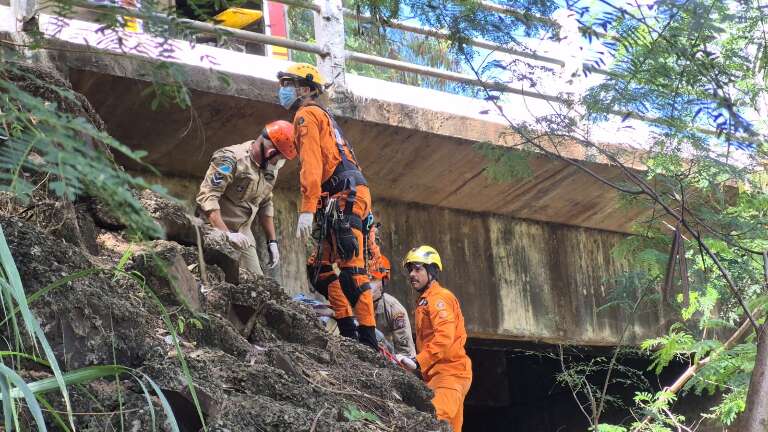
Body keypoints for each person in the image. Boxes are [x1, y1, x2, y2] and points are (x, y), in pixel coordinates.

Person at [277, 62, 377, 350]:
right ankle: (347, 329)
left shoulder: (306, 115)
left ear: (306, 89)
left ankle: (368, 341)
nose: (283, 90)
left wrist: (307, 209)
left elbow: (312, 165)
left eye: (288, 83)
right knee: (319, 267)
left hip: (344, 195)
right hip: (339, 195)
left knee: (351, 269)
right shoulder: (325, 117)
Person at [196, 120, 296, 276]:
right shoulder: (230, 159)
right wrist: (226, 234)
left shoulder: (270, 168)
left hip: (243, 234)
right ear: (270, 153)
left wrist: (272, 241)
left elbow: (265, 202)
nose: (279, 164)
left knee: (258, 285)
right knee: (211, 276)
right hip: (213, 227)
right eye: (280, 159)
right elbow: (208, 196)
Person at [399, 245, 472, 432]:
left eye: (418, 269)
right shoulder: (425, 299)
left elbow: (444, 338)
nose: (412, 274)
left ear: (431, 271)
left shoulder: (440, 298)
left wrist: (417, 361)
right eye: (410, 270)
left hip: (449, 375)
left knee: (432, 424)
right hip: (438, 376)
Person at [369, 255, 416, 357]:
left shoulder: (394, 310)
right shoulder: (348, 304)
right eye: (363, 279)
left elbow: (406, 355)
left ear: (384, 281)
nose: (367, 284)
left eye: (372, 279)